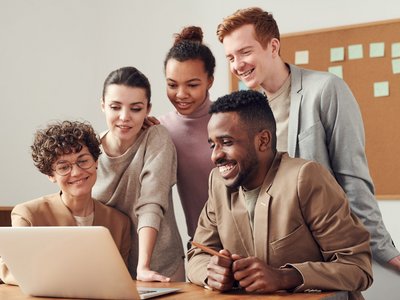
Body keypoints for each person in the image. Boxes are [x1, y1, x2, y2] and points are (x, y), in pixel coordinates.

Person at [216, 7, 400, 270]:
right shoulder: (244, 113)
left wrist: (384, 249)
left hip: (326, 257)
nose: (237, 65)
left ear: (273, 46)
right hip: (265, 262)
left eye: (245, 52)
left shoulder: (325, 90)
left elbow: (353, 178)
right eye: (230, 57)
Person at [187, 90, 373, 299]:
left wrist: (285, 277)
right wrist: (211, 273)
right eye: (212, 144)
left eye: (227, 142)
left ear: (263, 140)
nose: (215, 156)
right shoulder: (218, 183)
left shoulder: (305, 178)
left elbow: (358, 268)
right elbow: (197, 254)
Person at [0, 120, 131, 285]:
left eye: (83, 161)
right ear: (50, 175)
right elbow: (11, 270)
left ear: (96, 162)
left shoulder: (120, 223)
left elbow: (120, 281)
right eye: (63, 167)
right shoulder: (28, 215)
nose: (76, 172)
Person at [91, 66, 185, 282]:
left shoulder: (156, 137)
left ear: (147, 109)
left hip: (159, 267)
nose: (124, 117)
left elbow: (151, 201)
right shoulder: (90, 149)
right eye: (115, 107)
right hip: (109, 269)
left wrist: (143, 267)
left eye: (135, 109)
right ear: (103, 105)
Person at [159, 26, 215, 243]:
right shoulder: (160, 129)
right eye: (172, 85)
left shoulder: (230, 119)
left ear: (209, 80)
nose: (181, 95)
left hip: (250, 241)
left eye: (192, 85)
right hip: (203, 245)